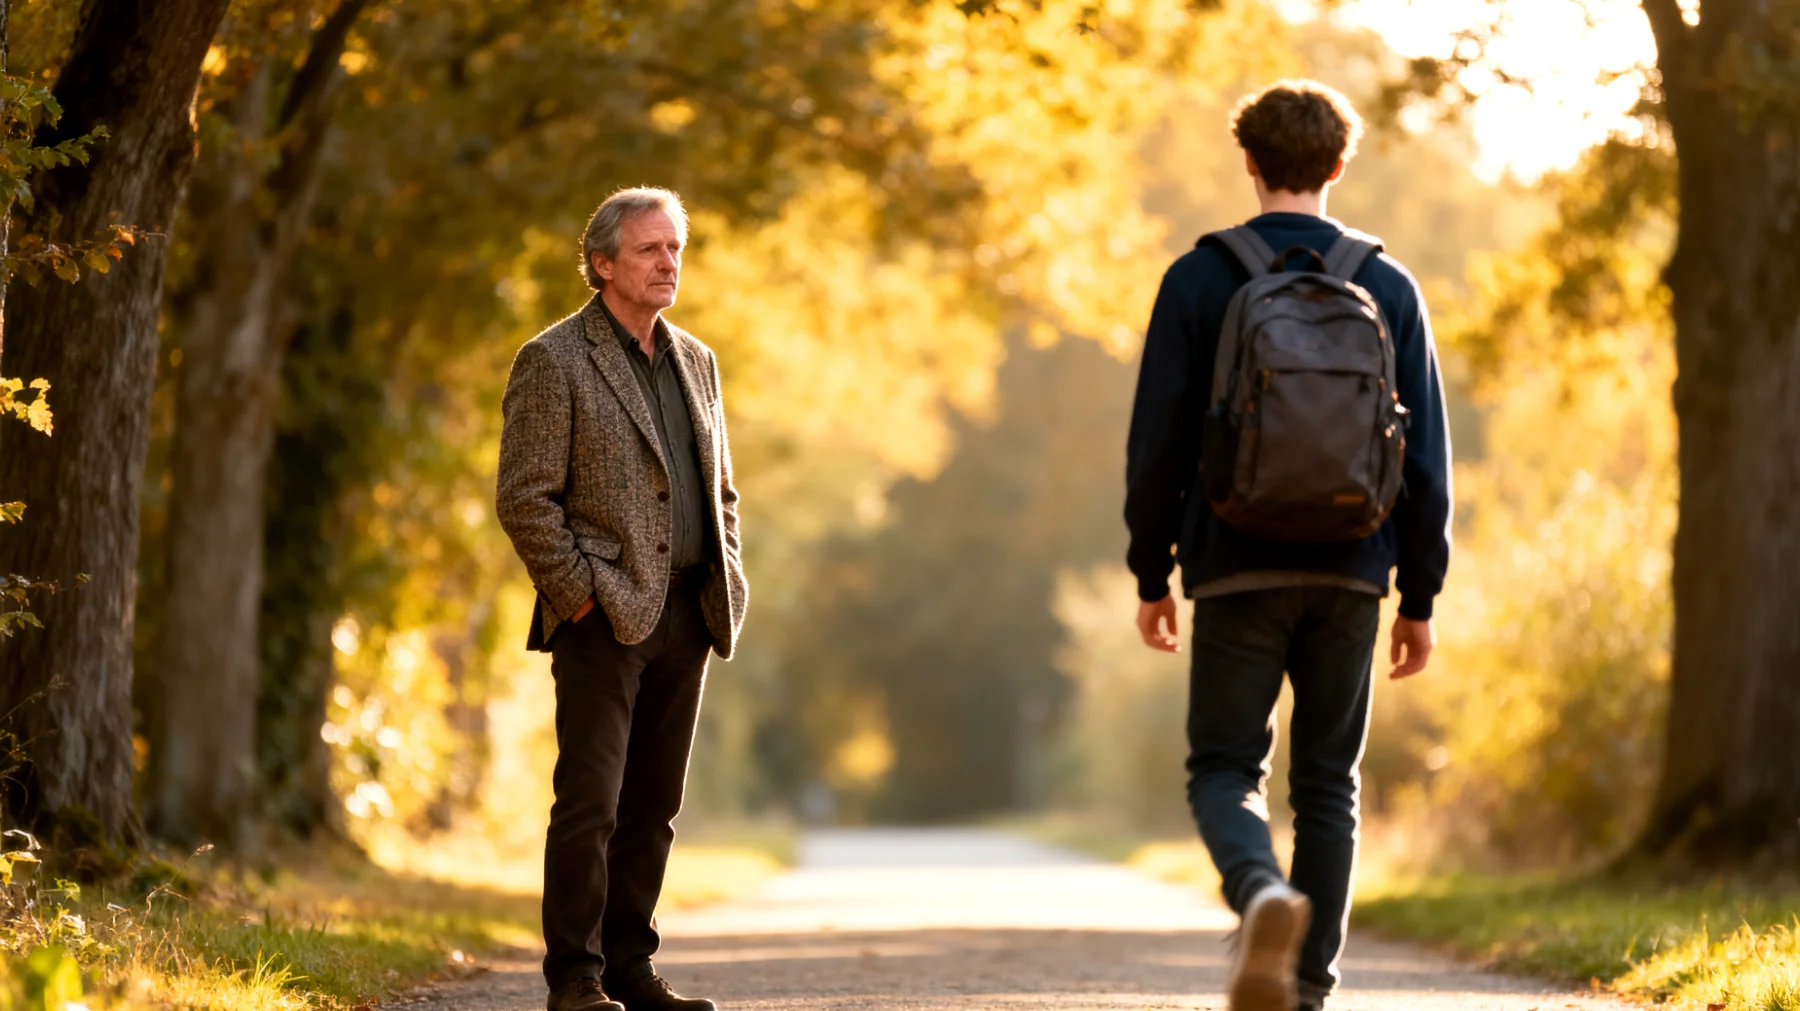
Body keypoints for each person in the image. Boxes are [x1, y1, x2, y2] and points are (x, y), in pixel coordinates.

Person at [1124, 81, 1452, 1011]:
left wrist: (1152, 571)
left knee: (1225, 768)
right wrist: (1420, 596)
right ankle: (1306, 987)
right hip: (1354, 567)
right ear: (1339, 163)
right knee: (1328, 787)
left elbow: (1157, 447)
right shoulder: (1388, 285)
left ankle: (1261, 890)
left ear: (1249, 161)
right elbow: (1426, 458)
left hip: (1234, 563)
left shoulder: (1197, 279)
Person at [497, 187, 748, 1011]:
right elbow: (524, 499)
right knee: (591, 803)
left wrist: (727, 576)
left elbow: (722, 491)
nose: (668, 262)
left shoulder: (697, 360)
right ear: (602, 263)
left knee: (653, 808)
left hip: (690, 613)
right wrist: (580, 598)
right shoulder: (553, 359)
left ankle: (631, 969)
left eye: (675, 247)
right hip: (602, 617)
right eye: (649, 249)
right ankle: (575, 976)